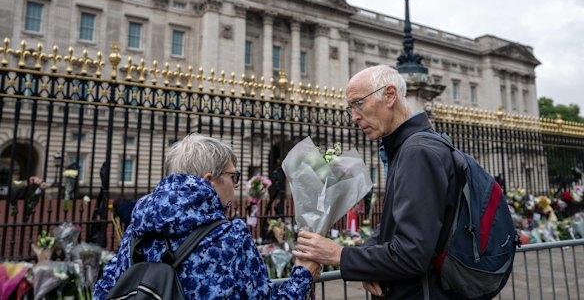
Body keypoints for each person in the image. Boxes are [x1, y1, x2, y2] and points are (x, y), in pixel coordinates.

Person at [293, 65, 459, 299]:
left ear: (390, 95)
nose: (354, 117)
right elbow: (392, 225)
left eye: (358, 103)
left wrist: (338, 254)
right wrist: (367, 264)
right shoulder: (407, 148)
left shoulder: (417, 152)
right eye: (350, 108)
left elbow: (412, 255)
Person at [94, 133, 320, 300]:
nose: (236, 184)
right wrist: (303, 275)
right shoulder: (230, 235)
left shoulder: (139, 226)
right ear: (210, 179)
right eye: (234, 176)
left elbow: (103, 291)